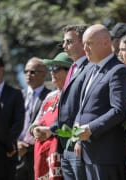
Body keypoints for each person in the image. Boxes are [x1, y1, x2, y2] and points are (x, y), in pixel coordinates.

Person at [75, 24, 126, 179]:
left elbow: (119, 110)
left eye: (89, 43)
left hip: (107, 155)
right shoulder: (90, 71)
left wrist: (90, 129)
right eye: (84, 44)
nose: (85, 48)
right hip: (89, 152)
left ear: (106, 42)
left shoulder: (118, 71)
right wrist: (77, 130)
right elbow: (83, 108)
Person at [33, 24, 89, 180]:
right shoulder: (74, 70)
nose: (64, 46)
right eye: (63, 42)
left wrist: (78, 139)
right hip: (62, 149)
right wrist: (43, 130)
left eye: (69, 41)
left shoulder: (88, 68)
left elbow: (83, 109)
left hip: (78, 145)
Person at [31, 52, 72, 179]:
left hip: (62, 154)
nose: (52, 72)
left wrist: (50, 131)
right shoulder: (50, 96)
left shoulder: (73, 95)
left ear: (69, 71)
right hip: (43, 154)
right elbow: (35, 122)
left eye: (56, 68)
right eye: (51, 69)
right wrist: (35, 130)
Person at [0, 55, 25, 180]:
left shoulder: (15, 94)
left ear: (0, 70)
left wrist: (6, 144)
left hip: (8, 154)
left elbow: (18, 123)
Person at [16, 57, 50, 180]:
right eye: (26, 71)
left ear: (44, 75)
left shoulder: (50, 97)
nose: (28, 75)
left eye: (33, 72)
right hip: (17, 152)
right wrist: (15, 143)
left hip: (38, 152)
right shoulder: (17, 95)